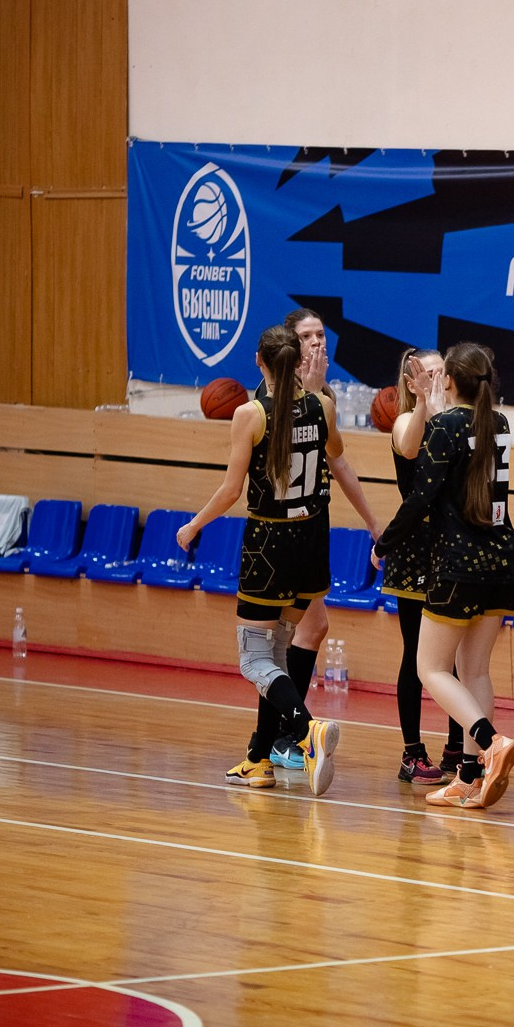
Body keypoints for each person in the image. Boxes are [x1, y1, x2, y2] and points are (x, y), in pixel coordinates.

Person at [179, 325, 341, 796]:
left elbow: (232, 490)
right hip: (312, 540)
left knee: (254, 660)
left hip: (269, 543)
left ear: (259, 361)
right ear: (299, 362)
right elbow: (335, 453)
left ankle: (307, 729)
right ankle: (259, 760)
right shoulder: (323, 406)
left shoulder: (251, 414)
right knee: (279, 655)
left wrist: (193, 525)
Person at [230, 307, 382, 780]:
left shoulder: (321, 399)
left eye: (321, 335)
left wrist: (374, 523)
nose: (318, 343)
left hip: (308, 530)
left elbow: (339, 464)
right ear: (289, 349)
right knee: (295, 634)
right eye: (308, 337)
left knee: (288, 640)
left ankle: (275, 742)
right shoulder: (270, 401)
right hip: (286, 532)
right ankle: (283, 737)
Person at [374, 343, 514, 809]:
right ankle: (470, 777)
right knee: (475, 670)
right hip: (502, 560)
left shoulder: (446, 426)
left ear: (452, 381)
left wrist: (383, 544)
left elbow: (420, 497)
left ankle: (490, 741)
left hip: (459, 562)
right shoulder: (498, 422)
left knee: (430, 668)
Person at [383, 347, 459, 786]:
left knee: (454, 655)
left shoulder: (457, 421)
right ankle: (412, 752)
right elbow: (410, 448)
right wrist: (424, 405)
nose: (435, 379)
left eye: (441, 372)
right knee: (416, 653)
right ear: (412, 383)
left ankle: (456, 748)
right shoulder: (404, 422)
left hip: (452, 544)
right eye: (427, 374)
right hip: (415, 546)